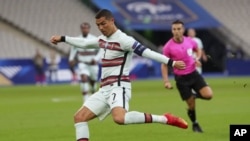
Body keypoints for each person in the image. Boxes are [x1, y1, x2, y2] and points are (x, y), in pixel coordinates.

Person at [51, 9, 188, 141]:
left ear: (112, 21)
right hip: (104, 89)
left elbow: (148, 52)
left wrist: (171, 62)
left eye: (103, 23)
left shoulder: (125, 40)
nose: (101, 27)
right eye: (98, 25)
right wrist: (63, 38)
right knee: (79, 118)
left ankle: (165, 119)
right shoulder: (103, 39)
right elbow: (85, 43)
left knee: (119, 118)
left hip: (119, 86)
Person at [161, 20, 213, 133]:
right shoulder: (168, 47)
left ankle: (193, 95)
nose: (176, 31)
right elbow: (164, 64)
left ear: (183, 30)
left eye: (179, 29)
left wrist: (197, 59)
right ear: (172, 30)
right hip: (181, 79)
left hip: (194, 74)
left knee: (209, 95)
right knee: (191, 105)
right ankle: (195, 124)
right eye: (174, 29)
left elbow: (197, 49)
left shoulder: (189, 41)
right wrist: (166, 81)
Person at [68, 22, 101, 102]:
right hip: (82, 63)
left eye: (86, 28)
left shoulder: (94, 39)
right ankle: (85, 101)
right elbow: (73, 49)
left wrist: (96, 59)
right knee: (84, 78)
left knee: (93, 82)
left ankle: (93, 92)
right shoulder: (78, 39)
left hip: (93, 64)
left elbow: (101, 50)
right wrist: (71, 58)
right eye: (83, 28)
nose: (85, 30)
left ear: (89, 29)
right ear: (81, 29)